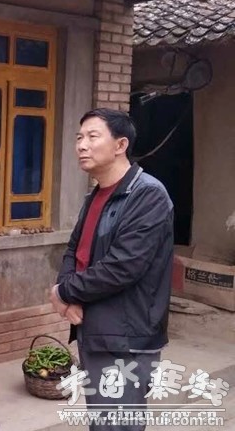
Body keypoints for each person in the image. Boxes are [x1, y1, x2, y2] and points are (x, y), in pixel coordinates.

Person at [50, 108, 174, 431]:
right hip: (95, 328)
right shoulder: (95, 196)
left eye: (93, 136)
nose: (81, 145)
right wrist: (66, 293)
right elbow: (75, 250)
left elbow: (122, 267)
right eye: (79, 137)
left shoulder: (148, 194)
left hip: (126, 337)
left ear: (120, 145)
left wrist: (63, 292)